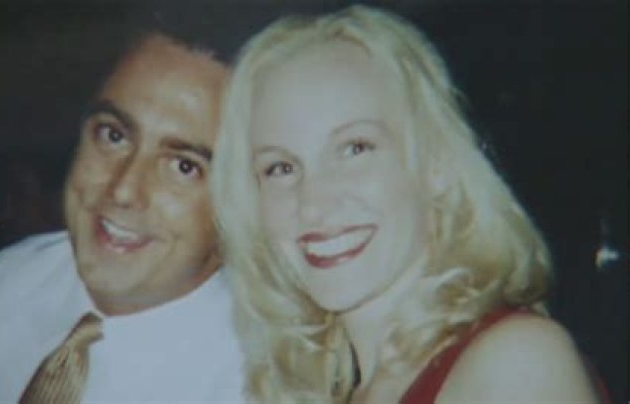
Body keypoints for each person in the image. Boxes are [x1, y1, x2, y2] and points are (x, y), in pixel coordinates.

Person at [211, 5, 605, 403]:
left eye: (355, 148)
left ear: (436, 163)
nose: (313, 204)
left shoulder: (514, 362)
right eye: (280, 168)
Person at [0, 33, 244, 402]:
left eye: (184, 166)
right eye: (113, 135)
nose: (123, 190)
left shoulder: (260, 381)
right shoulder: (14, 277)